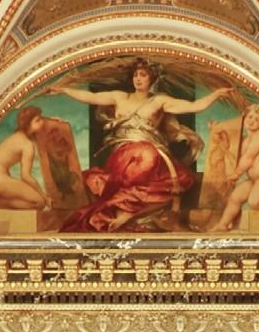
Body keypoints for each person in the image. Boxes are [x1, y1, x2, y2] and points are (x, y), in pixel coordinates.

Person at [52, 61, 225, 231]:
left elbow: (194, 106)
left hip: (152, 155)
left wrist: (216, 94)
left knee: (177, 179)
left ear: (152, 79)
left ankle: (127, 215)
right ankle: (124, 211)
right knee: (145, 156)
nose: (138, 79)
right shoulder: (120, 97)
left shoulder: (159, 101)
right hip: (124, 155)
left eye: (143, 75)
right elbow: (92, 97)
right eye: (135, 75)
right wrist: (65, 90)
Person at [201, 103, 259, 230]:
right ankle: (223, 225)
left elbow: (249, 157)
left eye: (257, 119)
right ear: (244, 117)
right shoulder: (244, 140)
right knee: (235, 197)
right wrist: (217, 132)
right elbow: (227, 148)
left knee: (254, 202)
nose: (252, 121)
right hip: (255, 179)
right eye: (250, 117)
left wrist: (237, 174)